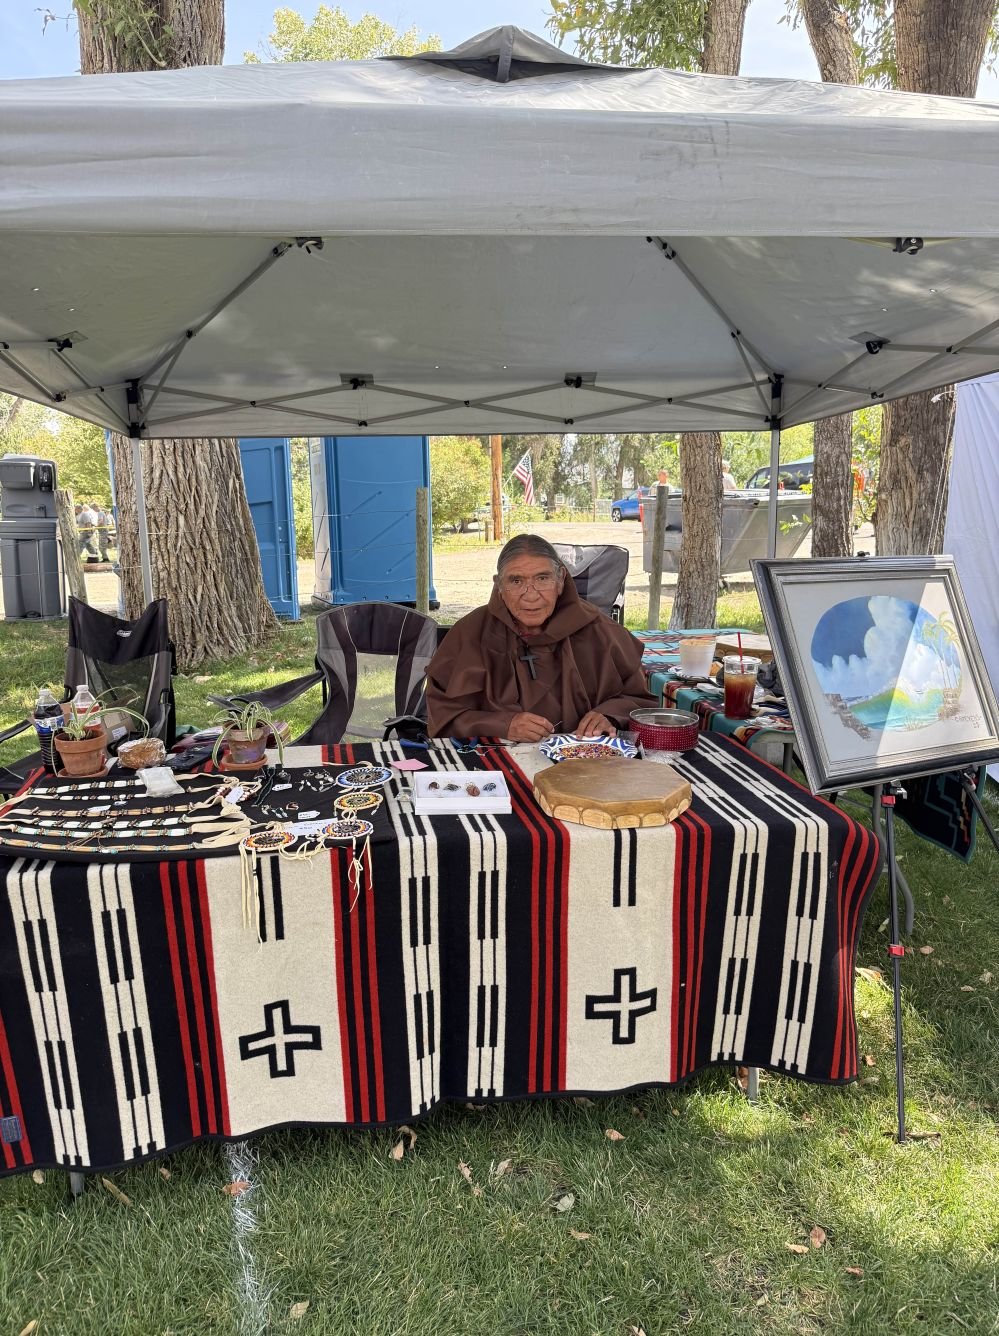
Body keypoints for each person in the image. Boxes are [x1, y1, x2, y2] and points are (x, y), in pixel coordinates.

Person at [426, 534, 656, 741]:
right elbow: (443, 715)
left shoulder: (600, 631)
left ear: (560, 581)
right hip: (494, 764)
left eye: (542, 579)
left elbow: (638, 700)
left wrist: (609, 715)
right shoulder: (470, 633)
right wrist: (503, 725)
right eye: (516, 581)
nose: (531, 595)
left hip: (585, 762)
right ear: (499, 586)